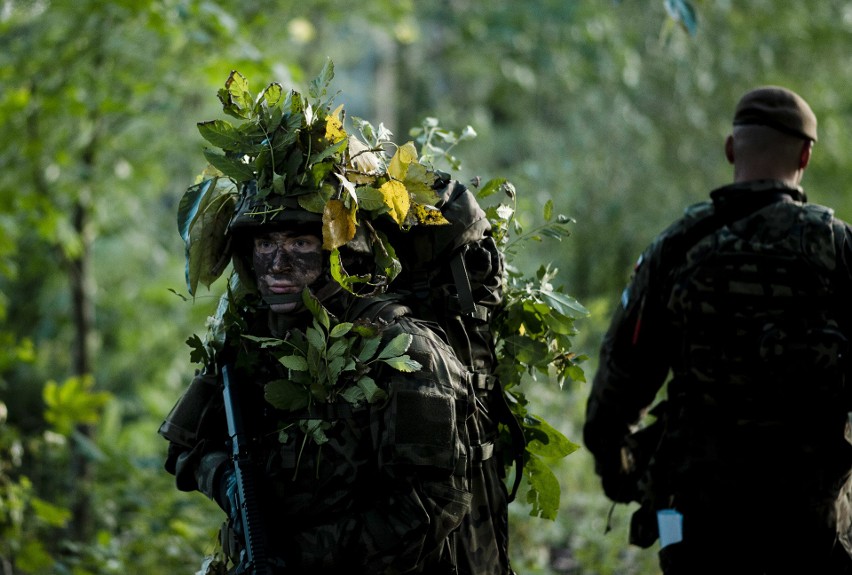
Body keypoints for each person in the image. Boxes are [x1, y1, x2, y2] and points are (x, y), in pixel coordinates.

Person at [159, 70, 514, 574]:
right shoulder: (254, 339)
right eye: (264, 244)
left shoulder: (404, 352)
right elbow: (184, 447)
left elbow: (433, 507)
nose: (276, 265)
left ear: (340, 253)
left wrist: (303, 558)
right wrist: (230, 483)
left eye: (300, 244)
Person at [583, 86, 852, 574]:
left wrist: (619, 470)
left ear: (731, 148)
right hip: (812, 523)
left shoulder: (678, 245)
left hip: (690, 520)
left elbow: (621, 377)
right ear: (806, 155)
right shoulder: (839, 249)